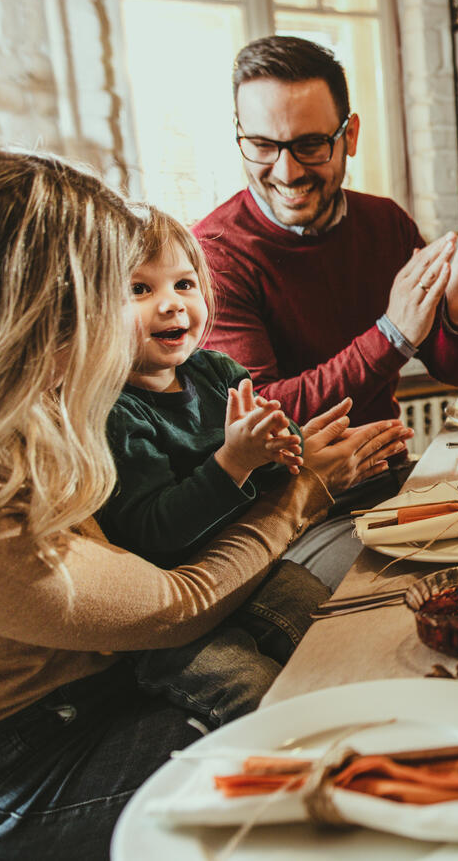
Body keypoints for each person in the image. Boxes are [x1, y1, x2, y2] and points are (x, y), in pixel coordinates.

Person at [0, 146, 401, 857]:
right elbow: (173, 606)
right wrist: (304, 490)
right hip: (30, 760)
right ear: (29, 317)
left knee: (342, 652)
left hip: (109, 670)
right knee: (305, 745)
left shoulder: (34, 409)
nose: (117, 328)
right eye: (110, 297)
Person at [194, 34, 458, 432]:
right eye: (262, 145)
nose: (286, 172)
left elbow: (454, 372)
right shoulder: (212, 253)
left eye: (311, 144)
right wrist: (393, 333)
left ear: (349, 136)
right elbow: (262, 415)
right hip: (291, 492)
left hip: (386, 472)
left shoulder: (385, 222)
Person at [97, 208, 336, 726]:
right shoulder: (115, 410)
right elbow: (155, 529)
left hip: (249, 572)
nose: (172, 304)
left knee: (328, 623)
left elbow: (279, 442)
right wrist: (233, 461)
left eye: (185, 283)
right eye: (140, 289)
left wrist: (281, 446)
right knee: (250, 686)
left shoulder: (217, 371)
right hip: (173, 607)